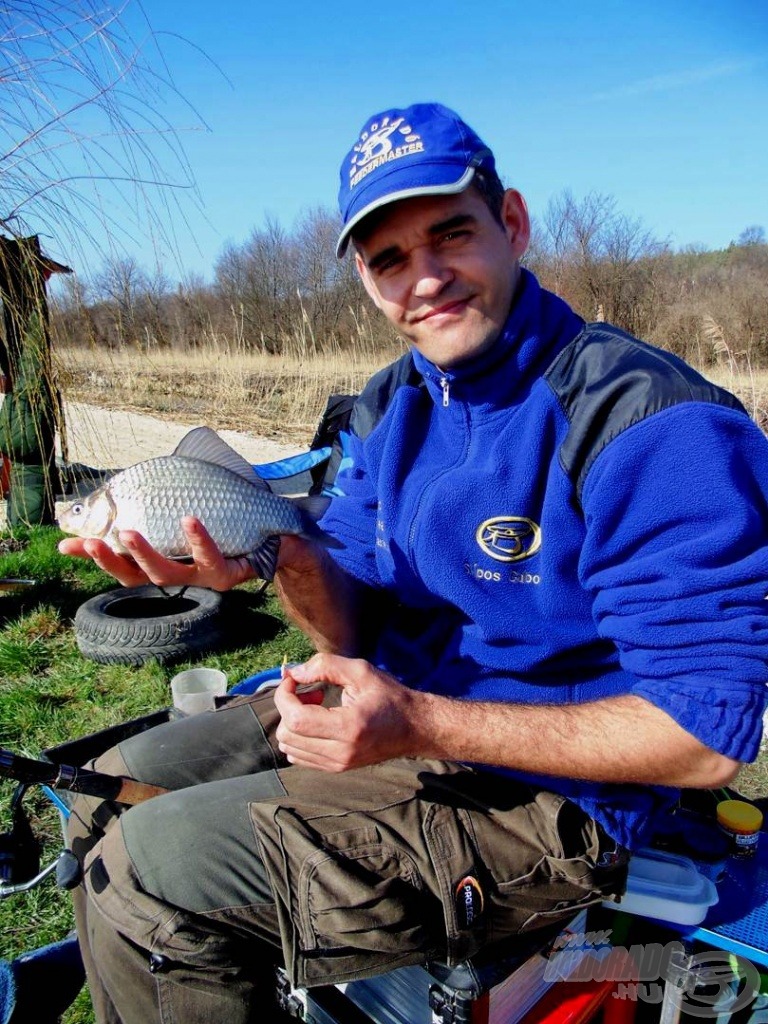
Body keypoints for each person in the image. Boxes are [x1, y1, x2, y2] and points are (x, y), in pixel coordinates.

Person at [59, 102, 768, 1023]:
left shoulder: (648, 421)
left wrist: (419, 723)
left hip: (560, 797)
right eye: (389, 258)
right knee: (103, 792)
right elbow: (342, 621)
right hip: (399, 715)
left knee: (149, 878)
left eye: (450, 235)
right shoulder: (389, 407)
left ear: (511, 223)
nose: (424, 278)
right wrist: (271, 553)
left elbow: (707, 737)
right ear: (364, 278)